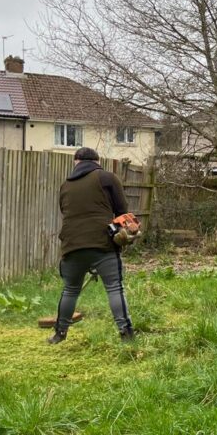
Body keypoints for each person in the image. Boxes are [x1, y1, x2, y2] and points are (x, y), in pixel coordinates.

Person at [48, 147, 135, 344]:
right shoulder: (106, 177)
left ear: (76, 162)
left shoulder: (65, 185)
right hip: (102, 242)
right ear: (97, 162)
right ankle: (126, 334)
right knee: (114, 288)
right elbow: (122, 212)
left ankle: (59, 334)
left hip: (71, 244)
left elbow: (65, 211)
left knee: (70, 289)